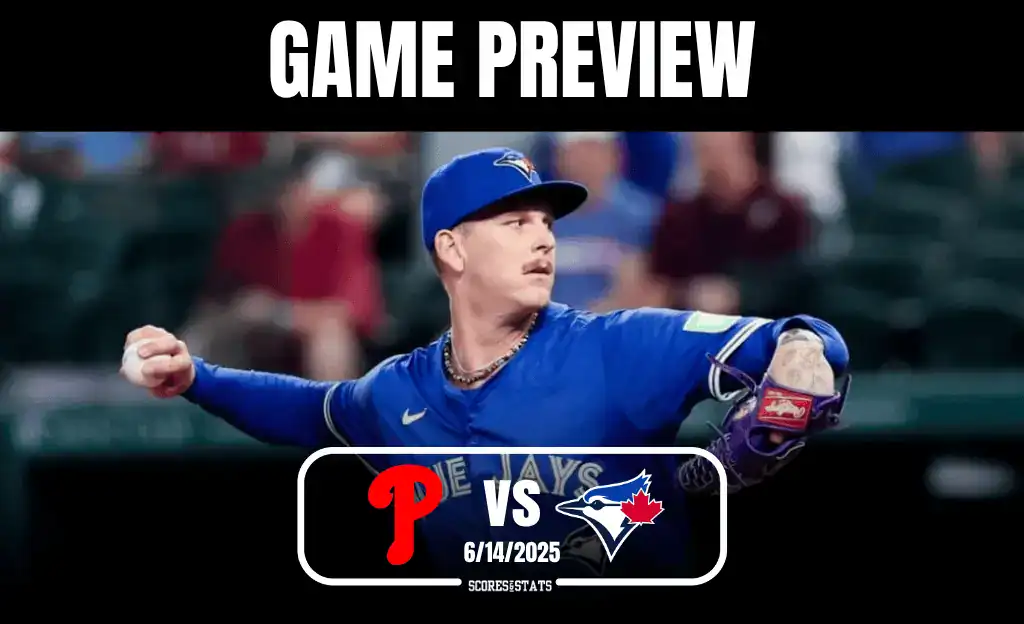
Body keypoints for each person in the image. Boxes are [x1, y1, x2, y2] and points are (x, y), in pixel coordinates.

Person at [121, 147, 851, 580]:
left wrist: (802, 352)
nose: (544, 239)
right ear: (452, 248)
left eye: (547, 222)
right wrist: (196, 377)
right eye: (515, 222)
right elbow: (308, 411)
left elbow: (797, 338)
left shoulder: (618, 348)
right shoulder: (398, 393)